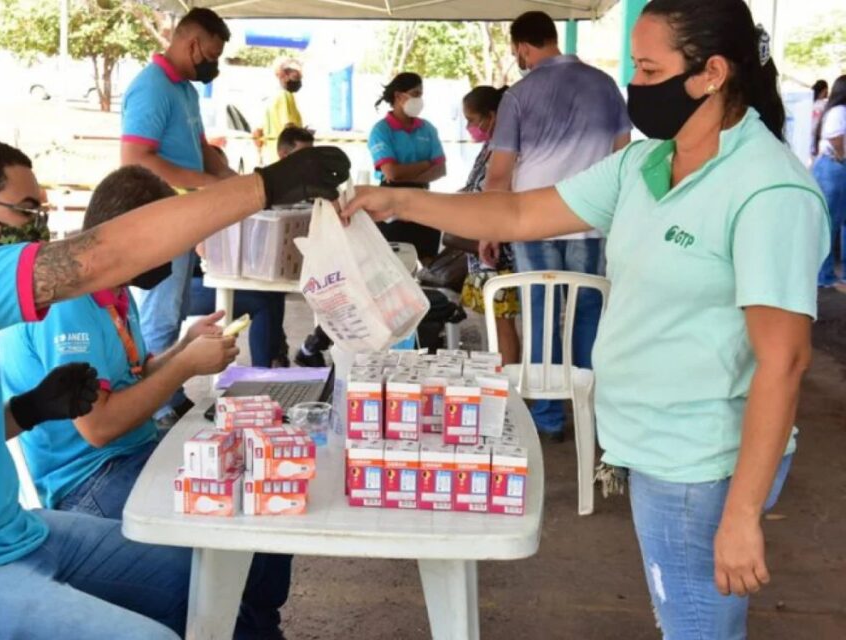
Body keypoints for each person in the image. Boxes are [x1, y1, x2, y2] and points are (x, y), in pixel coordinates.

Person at [343, 1, 828, 636]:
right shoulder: (646, 164)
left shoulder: (767, 190)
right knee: (681, 614)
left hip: (702, 460)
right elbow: (516, 215)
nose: (635, 87)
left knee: (698, 627)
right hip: (650, 444)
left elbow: (784, 360)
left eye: (650, 70)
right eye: (635, 67)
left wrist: (740, 514)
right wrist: (397, 199)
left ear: (711, 73)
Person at [0, 136, 349, 639]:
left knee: (216, 577)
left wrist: (29, 410)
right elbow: (103, 253)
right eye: (27, 211)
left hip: (15, 531)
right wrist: (264, 186)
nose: (41, 228)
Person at [0, 164, 293, 638]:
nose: (173, 257)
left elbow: (128, 379)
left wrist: (182, 347)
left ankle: (261, 626)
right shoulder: (67, 303)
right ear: (128, 237)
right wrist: (185, 366)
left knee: (267, 506)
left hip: (135, 452)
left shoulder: (113, 290)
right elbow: (99, 427)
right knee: (216, 558)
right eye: (162, 242)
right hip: (89, 480)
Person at [484, 10, 631, 441]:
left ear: (524, 47)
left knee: (540, 312)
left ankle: (547, 414)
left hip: (534, 222)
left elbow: (499, 172)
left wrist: (490, 227)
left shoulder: (519, 95)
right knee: (588, 312)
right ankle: (587, 406)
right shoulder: (604, 85)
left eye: (518, 53)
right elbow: (624, 153)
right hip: (591, 219)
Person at [120, 7, 237, 426]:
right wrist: (207, 184)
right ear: (192, 44)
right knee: (161, 315)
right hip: (159, 220)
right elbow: (136, 160)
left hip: (184, 216)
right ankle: (152, 407)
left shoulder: (185, 90)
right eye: (212, 54)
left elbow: (199, 145)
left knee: (177, 308)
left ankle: (169, 392)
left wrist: (230, 179)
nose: (214, 65)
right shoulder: (151, 88)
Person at [194, 129, 317, 367]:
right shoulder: (197, 210)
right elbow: (206, 251)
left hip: (219, 278)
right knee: (262, 302)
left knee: (272, 292)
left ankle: (273, 357)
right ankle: (263, 369)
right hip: (196, 287)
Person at [458, 85, 521, 364]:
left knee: (502, 319)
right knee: (493, 320)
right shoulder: (490, 146)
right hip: (483, 242)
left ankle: (508, 384)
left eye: (473, 119)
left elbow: (497, 190)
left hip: (498, 247)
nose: (470, 126)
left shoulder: (507, 148)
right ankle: (500, 376)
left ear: (493, 115)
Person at [368, 71, 447, 261]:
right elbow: (391, 173)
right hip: (390, 201)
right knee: (393, 260)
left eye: (421, 94)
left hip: (423, 198)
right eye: (415, 94)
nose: (419, 99)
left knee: (429, 259)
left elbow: (441, 169)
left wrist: (408, 176)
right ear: (398, 96)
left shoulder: (427, 129)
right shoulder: (381, 130)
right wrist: (426, 164)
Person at [814, 75, 846, 288]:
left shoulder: (834, 111)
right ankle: (824, 275)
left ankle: (832, 273)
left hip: (833, 168)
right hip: (834, 168)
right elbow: (836, 139)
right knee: (831, 223)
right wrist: (843, 157)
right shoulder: (839, 112)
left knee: (836, 222)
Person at [257, 58, 305, 164]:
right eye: (295, 77)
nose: (298, 81)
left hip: (272, 154)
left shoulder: (271, 98)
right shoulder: (285, 96)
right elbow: (289, 126)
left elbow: (258, 130)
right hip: (285, 155)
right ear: (283, 75)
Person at [811, 78, 829, 156]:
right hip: (818, 136)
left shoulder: (808, 102)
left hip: (807, 134)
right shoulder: (824, 104)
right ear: (824, 90)